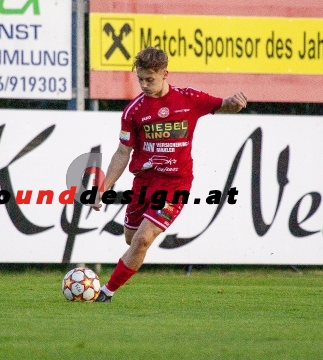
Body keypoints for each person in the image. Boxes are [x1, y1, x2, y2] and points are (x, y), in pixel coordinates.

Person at [92, 47, 247, 302]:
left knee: (142, 240)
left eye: (149, 79)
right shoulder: (134, 111)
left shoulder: (189, 99)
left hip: (176, 185)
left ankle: (106, 292)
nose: (143, 84)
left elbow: (223, 105)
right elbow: (123, 152)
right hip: (144, 183)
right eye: (140, 79)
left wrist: (235, 103)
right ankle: (117, 277)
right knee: (131, 238)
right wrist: (104, 186)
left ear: (165, 74)